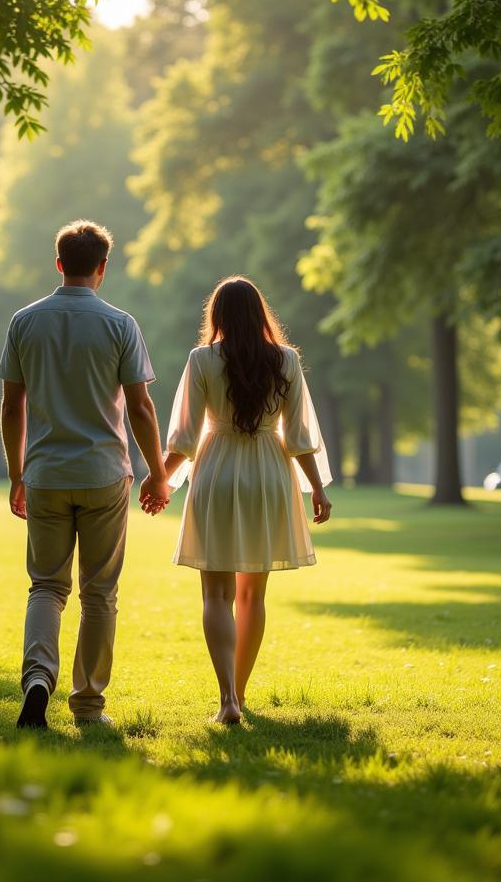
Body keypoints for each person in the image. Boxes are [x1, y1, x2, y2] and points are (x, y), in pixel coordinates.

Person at [0, 220, 171, 730]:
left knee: (46, 588)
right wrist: (157, 473)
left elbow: (12, 406)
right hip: (104, 474)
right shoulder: (121, 324)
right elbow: (141, 408)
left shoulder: (24, 322)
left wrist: (16, 474)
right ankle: (88, 705)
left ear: (58, 264)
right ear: (102, 269)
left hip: (46, 473)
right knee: (99, 593)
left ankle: (37, 680)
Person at [145, 277, 332, 724]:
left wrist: (160, 481)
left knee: (216, 594)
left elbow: (185, 437)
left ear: (218, 316)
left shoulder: (202, 359)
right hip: (269, 472)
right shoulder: (285, 360)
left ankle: (227, 698)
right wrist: (318, 489)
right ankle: (241, 695)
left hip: (218, 472)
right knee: (253, 595)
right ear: (259, 313)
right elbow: (301, 437)